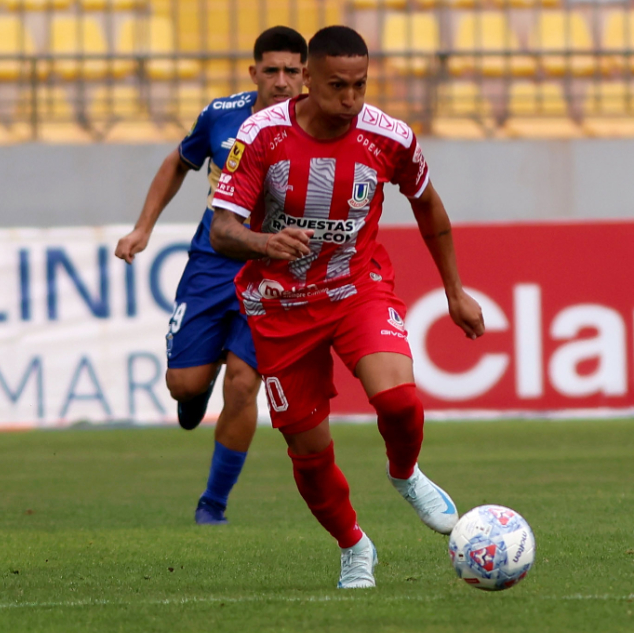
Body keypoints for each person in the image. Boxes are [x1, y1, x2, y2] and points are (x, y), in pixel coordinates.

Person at [208, 26, 485, 588]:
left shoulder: (390, 137)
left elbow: (429, 206)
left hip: (356, 289)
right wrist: (265, 243)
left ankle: (405, 474)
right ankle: (354, 546)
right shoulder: (260, 135)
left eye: (360, 85)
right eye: (338, 85)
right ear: (307, 79)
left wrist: (455, 290)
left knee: (401, 401)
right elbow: (222, 229)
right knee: (309, 451)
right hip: (279, 307)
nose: (351, 99)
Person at [114, 27, 307, 526]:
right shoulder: (220, 116)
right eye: (272, 70)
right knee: (183, 383)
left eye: (292, 71)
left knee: (244, 384)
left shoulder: (317, 124)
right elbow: (178, 163)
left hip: (272, 273)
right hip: (212, 263)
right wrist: (142, 229)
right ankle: (195, 389)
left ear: (306, 75)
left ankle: (212, 505)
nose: (282, 81)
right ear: (254, 72)